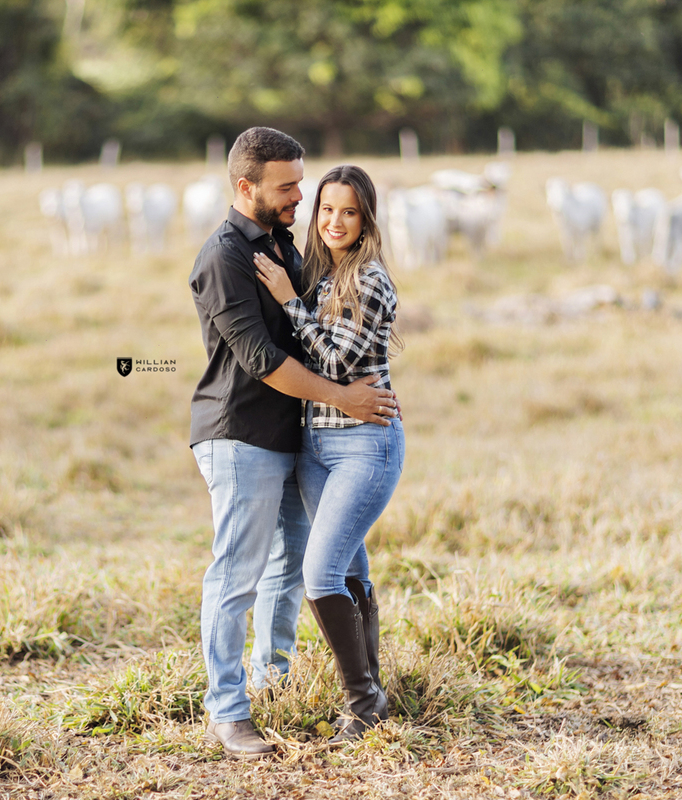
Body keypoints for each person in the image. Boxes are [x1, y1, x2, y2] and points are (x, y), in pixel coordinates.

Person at [189, 129, 399, 759]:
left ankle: (272, 680)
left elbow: (339, 327)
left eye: (301, 183)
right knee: (237, 574)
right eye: (288, 186)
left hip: (295, 439)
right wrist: (344, 398)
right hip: (241, 435)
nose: (301, 196)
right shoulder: (224, 257)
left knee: (290, 571)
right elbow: (262, 360)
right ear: (245, 186)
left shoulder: (284, 244)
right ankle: (228, 712)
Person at [253, 164, 403, 743]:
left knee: (320, 575)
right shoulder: (324, 275)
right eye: (326, 209)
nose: (335, 221)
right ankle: (374, 684)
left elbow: (336, 365)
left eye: (349, 211)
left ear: (366, 220)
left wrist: (289, 301)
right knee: (352, 567)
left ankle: (362, 702)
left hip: (365, 444)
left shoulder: (368, 278)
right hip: (318, 444)